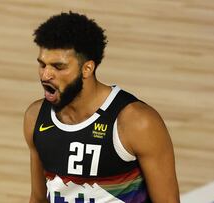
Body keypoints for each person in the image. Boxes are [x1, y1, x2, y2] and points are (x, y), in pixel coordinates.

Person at [23, 11, 180, 203]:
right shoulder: (36, 117)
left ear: (87, 68)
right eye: (42, 65)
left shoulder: (136, 122)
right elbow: (39, 198)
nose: (45, 75)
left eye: (58, 67)